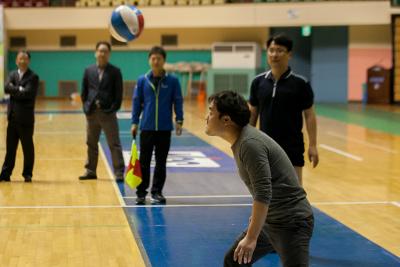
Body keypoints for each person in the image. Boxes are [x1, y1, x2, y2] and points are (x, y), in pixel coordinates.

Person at [205, 91, 314, 267]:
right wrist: (256, 222)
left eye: (210, 112)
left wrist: (251, 237)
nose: (207, 117)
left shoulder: (250, 144)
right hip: (271, 220)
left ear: (226, 120)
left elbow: (263, 192)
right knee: (234, 261)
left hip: (291, 222)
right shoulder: (242, 141)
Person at [249, 34, 319, 185]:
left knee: (294, 188)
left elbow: (309, 116)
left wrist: (313, 145)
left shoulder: (301, 83)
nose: (274, 54)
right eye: (271, 50)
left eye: (280, 50)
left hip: (292, 145)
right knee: (266, 188)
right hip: (265, 145)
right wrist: (246, 142)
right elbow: (252, 113)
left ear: (289, 54)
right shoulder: (258, 82)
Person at [131, 46, 184, 205]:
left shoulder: (173, 81)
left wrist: (179, 120)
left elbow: (178, 101)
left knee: (161, 162)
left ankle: (157, 192)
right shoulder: (142, 80)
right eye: (153, 58)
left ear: (164, 61)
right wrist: (134, 121)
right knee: (144, 162)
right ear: (149, 60)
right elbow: (136, 102)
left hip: (164, 128)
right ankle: (141, 193)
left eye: (159, 58)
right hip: (146, 128)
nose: (156, 61)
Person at [79, 41, 125, 182]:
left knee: (114, 143)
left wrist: (112, 109)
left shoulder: (115, 71)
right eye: (100, 51)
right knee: (91, 143)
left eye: (105, 51)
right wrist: (86, 108)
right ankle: (90, 170)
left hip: (108, 114)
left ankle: (118, 172)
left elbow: (119, 94)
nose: (102, 53)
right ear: (95, 53)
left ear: (109, 54)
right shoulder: (88, 70)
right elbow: (84, 92)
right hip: (92, 113)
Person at [0, 50, 39, 183]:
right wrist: (20, 89)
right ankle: (5, 174)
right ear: (16, 60)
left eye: (25, 59)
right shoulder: (11, 74)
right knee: (10, 148)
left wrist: (14, 89)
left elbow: (27, 94)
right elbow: (6, 88)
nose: (22, 61)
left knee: (27, 148)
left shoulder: (33, 77)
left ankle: (27, 174)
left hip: (26, 119)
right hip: (12, 118)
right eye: (20, 59)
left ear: (28, 61)